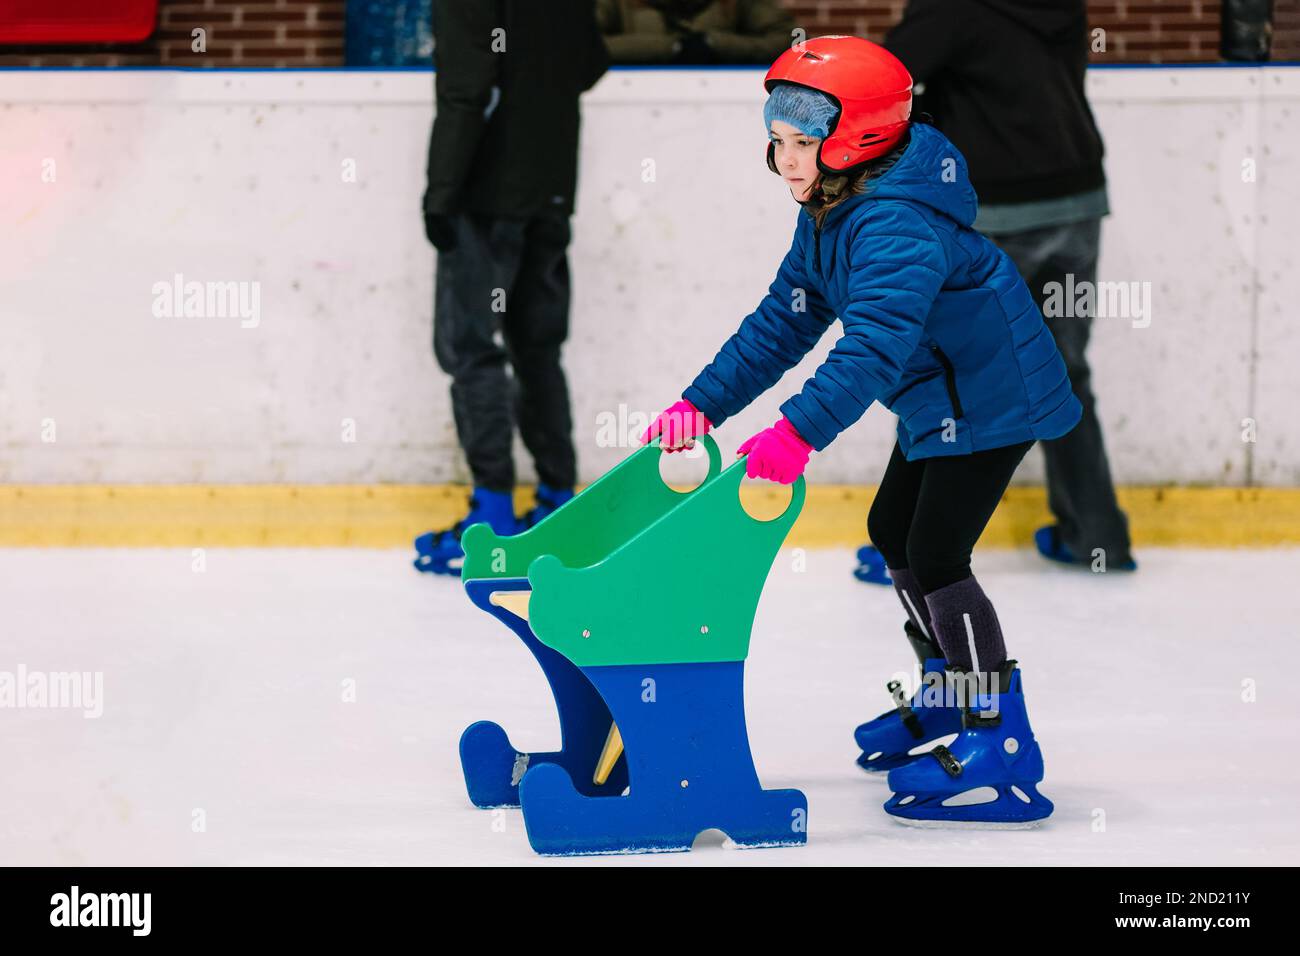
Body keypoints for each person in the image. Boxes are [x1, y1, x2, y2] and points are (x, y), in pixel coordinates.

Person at [641, 36, 1079, 826]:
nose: (786, 161)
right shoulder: (831, 210)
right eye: (778, 141)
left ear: (859, 140)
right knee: (893, 531)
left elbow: (873, 346)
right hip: (941, 396)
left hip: (993, 396)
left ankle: (1000, 738)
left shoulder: (893, 224)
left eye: (803, 144)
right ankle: (949, 697)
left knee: (939, 555)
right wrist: (702, 405)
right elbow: (783, 323)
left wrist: (794, 435)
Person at [847, 0, 1135, 583]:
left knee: (941, 369)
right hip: (1077, 199)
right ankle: (1097, 536)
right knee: (1062, 367)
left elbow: (879, 82)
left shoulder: (952, 6)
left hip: (996, 207)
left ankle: (903, 543)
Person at [414, 1, 609, 576]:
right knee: (538, 347)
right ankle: (557, 508)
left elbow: (465, 92)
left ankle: (493, 521)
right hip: (550, 190)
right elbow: (591, 62)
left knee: (471, 347)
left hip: (486, 195)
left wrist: (440, 193)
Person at [596, 0, 794, 65]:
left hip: (721, 108)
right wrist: (671, 48)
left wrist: (714, 44)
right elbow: (585, 46)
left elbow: (792, 41)